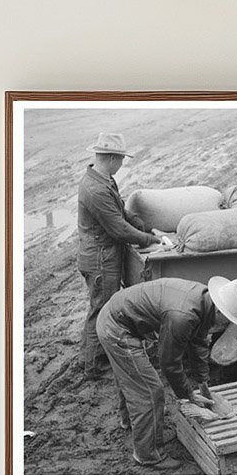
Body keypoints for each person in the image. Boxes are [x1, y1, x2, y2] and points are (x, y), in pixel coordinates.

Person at [96, 276, 237, 471]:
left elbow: (198, 343)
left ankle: (131, 422)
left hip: (122, 316)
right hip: (116, 327)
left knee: (134, 378)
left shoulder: (204, 301)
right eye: (229, 319)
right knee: (150, 391)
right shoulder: (183, 316)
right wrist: (187, 395)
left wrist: (203, 383)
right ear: (221, 311)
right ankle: (148, 455)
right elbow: (169, 362)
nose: (226, 324)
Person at [77, 133, 167, 380]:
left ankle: (88, 355)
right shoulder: (95, 189)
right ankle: (95, 366)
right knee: (102, 309)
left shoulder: (103, 179)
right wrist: (150, 239)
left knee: (98, 307)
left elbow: (120, 212)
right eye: (122, 159)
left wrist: (140, 223)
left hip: (102, 255)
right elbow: (118, 229)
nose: (122, 164)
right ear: (113, 159)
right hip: (100, 259)